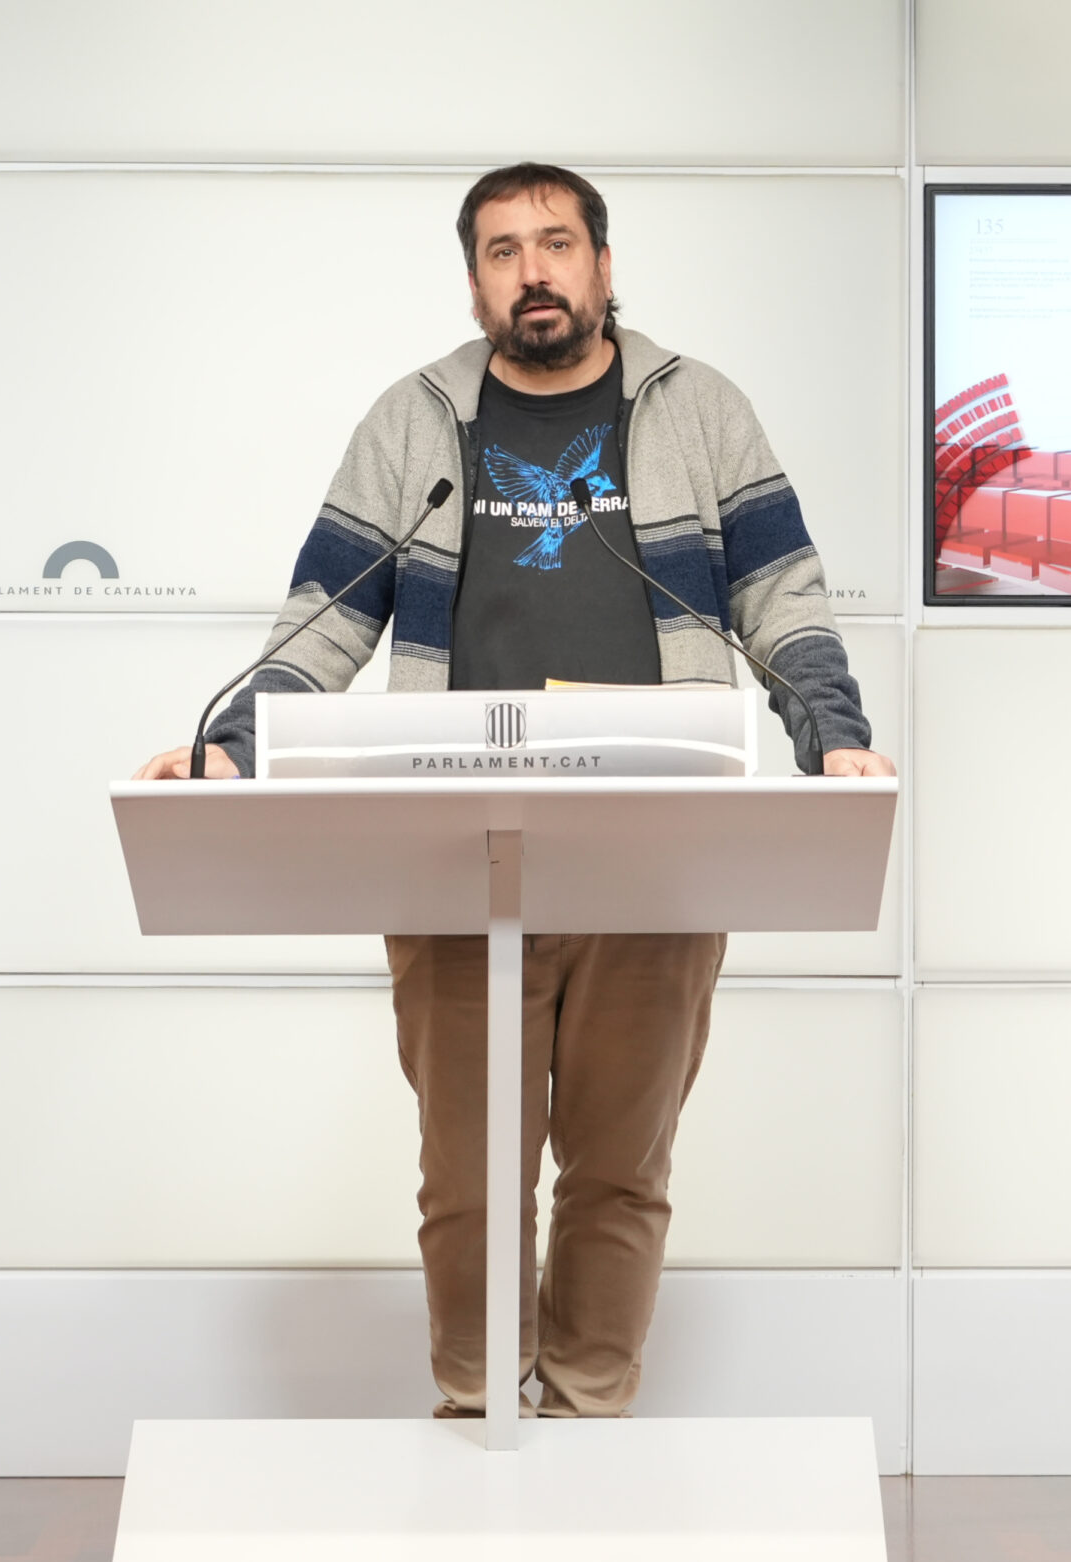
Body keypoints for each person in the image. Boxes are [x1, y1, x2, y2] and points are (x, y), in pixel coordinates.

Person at [135, 162, 893, 1420]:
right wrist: (233, 741)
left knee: (619, 1168)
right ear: (475, 282)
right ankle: (475, 1411)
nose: (531, 271)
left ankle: (586, 1411)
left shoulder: (699, 410)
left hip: (655, 857)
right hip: (454, 857)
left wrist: (833, 737)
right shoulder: (416, 422)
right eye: (501, 251)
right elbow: (327, 616)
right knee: (469, 1178)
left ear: (603, 264)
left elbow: (780, 600)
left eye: (555, 243)